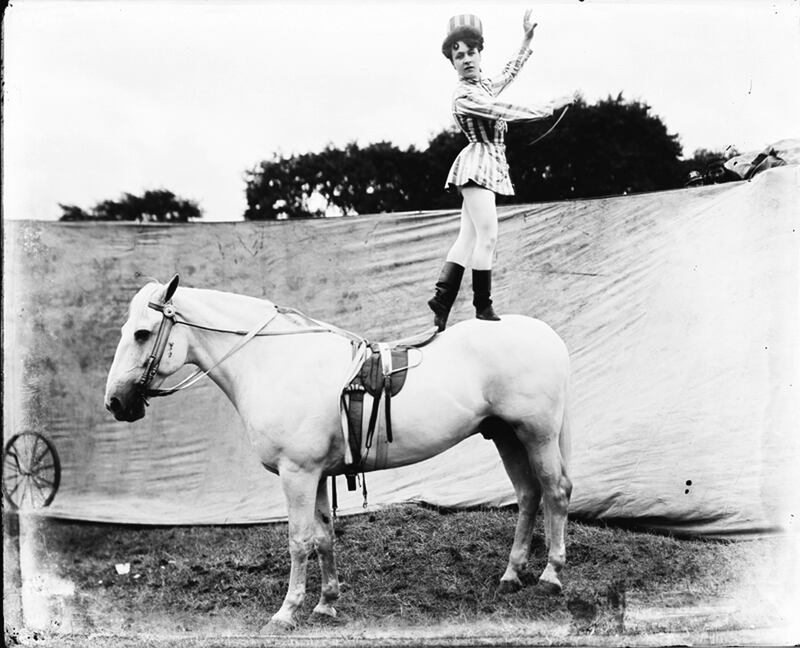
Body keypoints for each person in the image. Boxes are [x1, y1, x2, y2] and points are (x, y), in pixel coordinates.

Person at [428, 11, 575, 330]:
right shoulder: (466, 95)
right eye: (458, 56)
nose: (466, 60)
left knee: (468, 238)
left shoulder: (481, 84)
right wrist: (550, 105)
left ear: (480, 53)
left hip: (484, 165)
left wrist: (526, 39)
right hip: (477, 165)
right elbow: (503, 110)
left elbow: (509, 72)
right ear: (452, 62)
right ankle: (483, 306)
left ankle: (441, 303)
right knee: (488, 235)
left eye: (471, 52)